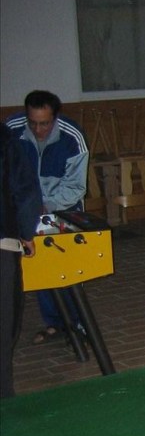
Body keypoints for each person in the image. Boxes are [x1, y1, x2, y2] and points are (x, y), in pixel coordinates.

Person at [4, 90, 89, 344]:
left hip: (64, 208)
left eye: (45, 123)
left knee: (70, 271)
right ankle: (54, 324)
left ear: (55, 117)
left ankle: (78, 325)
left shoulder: (72, 136)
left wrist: (45, 205)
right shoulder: (11, 130)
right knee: (40, 267)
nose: (39, 129)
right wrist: (24, 208)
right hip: (25, 210)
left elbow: (75, 186)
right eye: (33, 123)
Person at [1, 124, 43, 398]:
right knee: (4, 325)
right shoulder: (5, 139)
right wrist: (27, 234)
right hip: (2, 242)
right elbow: (25, 192)